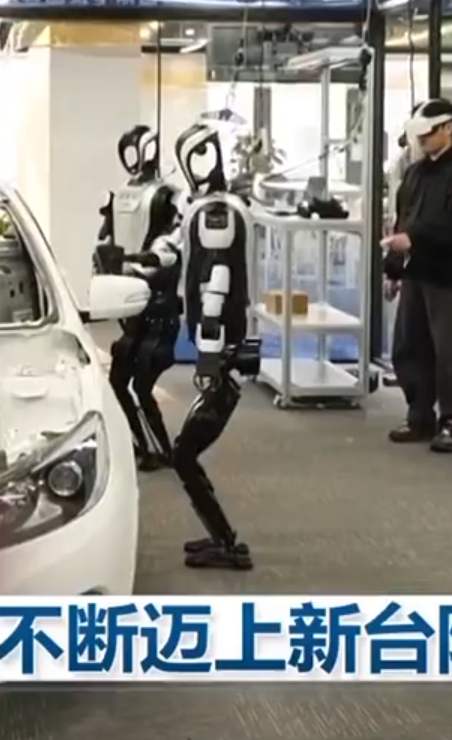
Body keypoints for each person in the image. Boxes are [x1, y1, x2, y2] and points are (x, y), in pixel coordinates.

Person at [170, 121, 261, 571]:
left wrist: (208, 355)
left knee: (183, 454)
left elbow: (216, 283)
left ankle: (227, 544)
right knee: (185, 454)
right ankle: (221, 538)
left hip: (220, 350)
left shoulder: (214, 213)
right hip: (222, 347)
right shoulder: (216, 208)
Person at [382, 98, 452, 453]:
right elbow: (403, 219)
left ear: (448, 128)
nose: (422, 140)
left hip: (448, 276)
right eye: (418, 135)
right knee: (410, 346)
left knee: (450, 352)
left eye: (428, 133)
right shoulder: (416, 173)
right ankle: (419, 415)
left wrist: (415, 239)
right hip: (415, 274)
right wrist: (394, 269)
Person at [95, 125, 182, 472]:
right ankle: (141, 446)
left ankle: (164, 450)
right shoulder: (120, 195)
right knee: (119, 382)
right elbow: (105, 239)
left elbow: (170, 249)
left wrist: (138, 261)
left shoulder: (167, 196)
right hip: (129, 302)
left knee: (143, 384)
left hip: (158, 304)